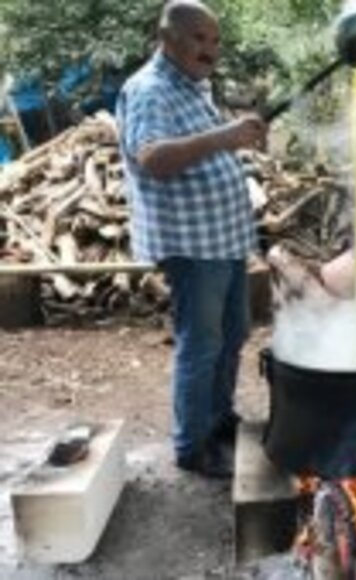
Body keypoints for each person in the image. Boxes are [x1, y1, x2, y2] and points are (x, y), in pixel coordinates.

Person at [117, 0, 267, 478]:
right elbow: (153, 157)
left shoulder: (193, 86)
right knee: (200, 343)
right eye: (199, 38)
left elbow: (204, 149)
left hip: (222, 238)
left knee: (233, 333)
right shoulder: (149, 89)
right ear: (168, 38)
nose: (210, 49)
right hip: (190, 243)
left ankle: (218, 420)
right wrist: (225, 137)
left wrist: (232, 138)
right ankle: (192, 446)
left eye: (215, 40)